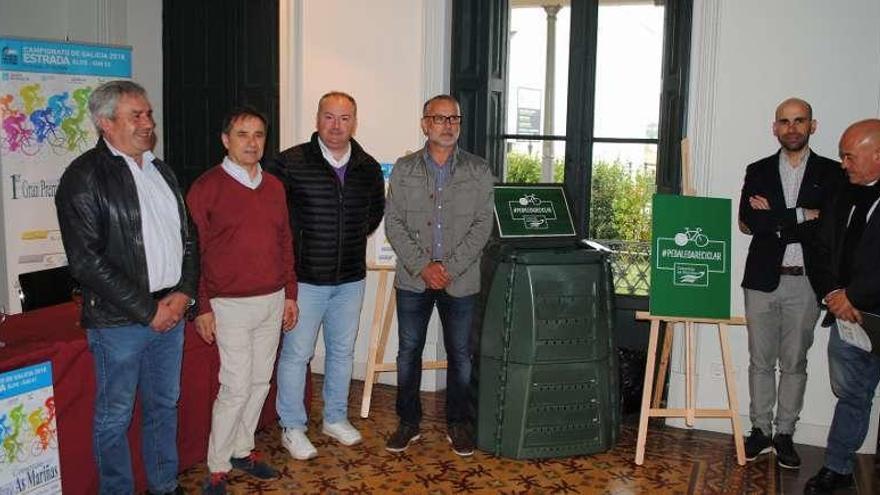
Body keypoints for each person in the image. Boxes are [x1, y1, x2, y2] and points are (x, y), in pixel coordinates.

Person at [55, 80, 197, 495]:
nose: (148, 123)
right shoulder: (82, 177)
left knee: (163, 407)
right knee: (114, 418)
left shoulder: (160, 170)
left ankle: (164, 485)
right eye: (136, 115)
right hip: (119, 322)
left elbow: (189, 237)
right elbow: (86, 261)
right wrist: (148, 311)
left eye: (148, 114)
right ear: (105, 123)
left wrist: (184, 293)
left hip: (172, 310)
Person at [186, 107, 298, 494]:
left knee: (259, 381)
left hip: (272, 299)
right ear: (225, 140)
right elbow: (194, 253)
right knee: (234, 385)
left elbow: (285, 242)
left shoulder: (274, 187)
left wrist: (290, 295)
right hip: (228, 303)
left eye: (258, 135)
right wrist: (201, 306)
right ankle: (217, 467)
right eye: (242, 134)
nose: (252, 142)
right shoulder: (206, 188)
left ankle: (241, 450)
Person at [269, 91, 385, 459]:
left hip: (350, 278)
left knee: (342, 351)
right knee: (297, 354)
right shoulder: (290, 163)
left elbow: (374, 212)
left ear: (355, 121)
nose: (337, 125)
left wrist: (348, 240)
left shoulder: (366, 166)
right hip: (305, 279)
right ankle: (292, 425)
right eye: (329, 117)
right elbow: (275, 218)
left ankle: (334, 418)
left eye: (345, 118)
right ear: (317, 119)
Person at [383, 94, 495, 456]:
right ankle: (408, 422)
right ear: (424, 124)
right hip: (414, 279)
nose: (448, 126)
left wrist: (448, 268)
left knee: (461, 354)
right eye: (440, 118)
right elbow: (394, 223)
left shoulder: (478, 169)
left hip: (459, 280)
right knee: (408, 352)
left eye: (454, 119)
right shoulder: (404, 168)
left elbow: (482, 225)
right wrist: (424, 266)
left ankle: (458, 424)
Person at [738, 97, 844, 469]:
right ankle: (760, 430)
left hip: (806, 284)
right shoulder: (758, 170)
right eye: (784, 121)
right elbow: (749, 221)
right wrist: (801, 214)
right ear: (775, 128)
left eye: (800, 121)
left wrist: (777, 219)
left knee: (795, 363)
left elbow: (828, 225)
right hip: (762, 282)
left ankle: (785, 433)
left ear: (812, 126)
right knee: (760, 362)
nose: (792, 128)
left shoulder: (832, 173)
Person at [803, 119, 880, 494]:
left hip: (870, 309)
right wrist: (834, 295)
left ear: (878, 155)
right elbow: (820, 249)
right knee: (851, 395)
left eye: (849, 156)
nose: (843, 163)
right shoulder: (841, 193)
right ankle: (837, 467)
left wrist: (856, 296)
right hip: (845, 317)